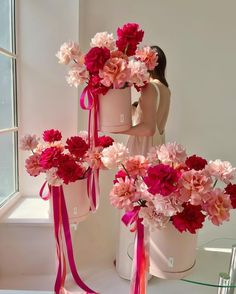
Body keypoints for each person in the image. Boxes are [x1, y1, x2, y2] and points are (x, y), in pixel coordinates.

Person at [115, 45, 171, 279]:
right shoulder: (165, 89)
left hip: (143, 151)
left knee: (134, 205)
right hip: (158, 150)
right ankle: (145, 268)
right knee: (148, 209)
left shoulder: (150, 89)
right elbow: (153, 123)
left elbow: (147, 129)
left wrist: (121, 129)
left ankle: (133, 270)